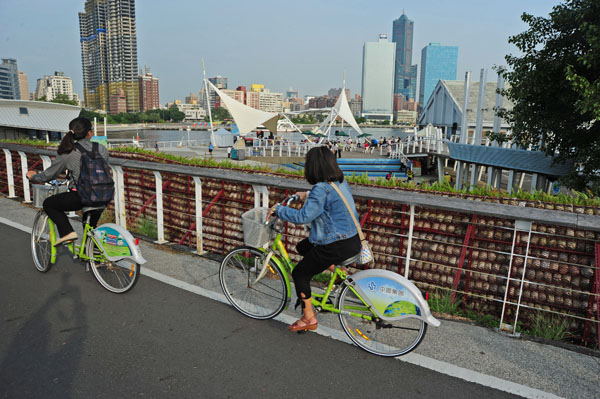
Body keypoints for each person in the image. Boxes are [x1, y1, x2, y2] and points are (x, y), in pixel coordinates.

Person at [266, 146, 361, 332]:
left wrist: (278, 210)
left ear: (313, 167)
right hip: (350, 240)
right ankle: (335, 270)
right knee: (303, 246)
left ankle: (309, 318)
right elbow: (326, 199)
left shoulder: (320, 189)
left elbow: (303, 217)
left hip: (336, 245)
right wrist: (306, 195)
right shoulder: (339, 182)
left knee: (300, 273)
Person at [27, 117, 110, 246]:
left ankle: (67, 233)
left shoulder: (68, 152)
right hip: (104, 195)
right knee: (90, 227)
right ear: (89, 133)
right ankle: (93, 259)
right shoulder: (102, 149)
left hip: (82, 196)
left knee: (49, 204)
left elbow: (49, 175)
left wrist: (33, 176)